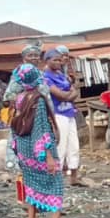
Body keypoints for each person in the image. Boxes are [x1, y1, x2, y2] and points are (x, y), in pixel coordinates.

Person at [9, 64, 65, 218]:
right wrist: (48, 156)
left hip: (23, 148)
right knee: (55, 184)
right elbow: (41, 129)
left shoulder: (19, 98)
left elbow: (14, 124)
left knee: (31, 183)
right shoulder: (38, 100)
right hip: (38, 150)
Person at [43, 48, 83, 186]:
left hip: (69, 113)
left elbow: (73, 92)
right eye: (55, 60)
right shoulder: (45, 77)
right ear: (47, 61)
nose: (58, 62)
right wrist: (69, 94)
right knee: (60, 145)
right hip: (58, 115)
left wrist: (69, 95)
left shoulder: (61, 74)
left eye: (60, 60)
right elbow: (60, 95)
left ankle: (74, 177)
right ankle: (56, 179)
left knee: (74, 145)